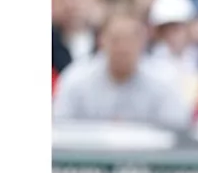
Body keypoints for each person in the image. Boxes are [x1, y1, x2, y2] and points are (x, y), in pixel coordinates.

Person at [53, 8, 190, 127]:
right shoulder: (76, 79)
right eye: (116, 39)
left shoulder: (165, 80)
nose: (123, 48)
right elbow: (59, 129)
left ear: (144, 40)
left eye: (130, 39)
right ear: (101, 40)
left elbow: (178, 132)